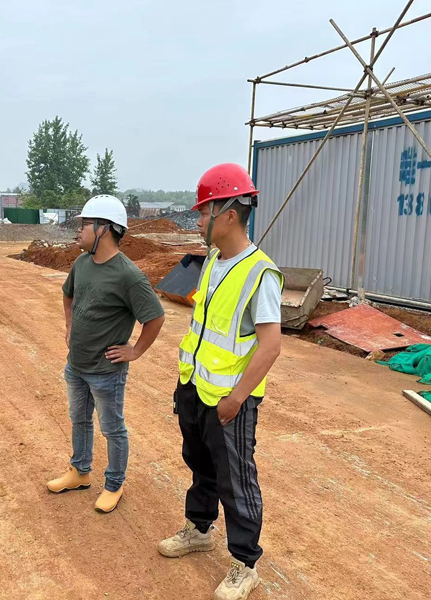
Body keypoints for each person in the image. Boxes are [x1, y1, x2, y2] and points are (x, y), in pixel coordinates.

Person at [157, 164, 283, 600]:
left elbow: (270, 345)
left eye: (203, 210)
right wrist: (186, 384)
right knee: (200, 465)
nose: (197, 219)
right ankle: (199, 529)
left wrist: (237, 398)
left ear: (229, 213)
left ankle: (245, 565)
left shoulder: (260, 273)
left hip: (230, 400)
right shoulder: (212, 261)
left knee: (236, 480)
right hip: (195, 388)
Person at [46, 194, 165, 513]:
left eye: (85, 224)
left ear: (105, 229)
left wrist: (135, 350)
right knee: (79, 419)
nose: (79, 229)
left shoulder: (128, 275)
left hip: (106, 372)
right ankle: (80, 471)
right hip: (76, 365)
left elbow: (155, 317)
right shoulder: (81, 263)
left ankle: (114, 484)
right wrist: (69, 325)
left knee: (112, 428)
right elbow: (68, 295)